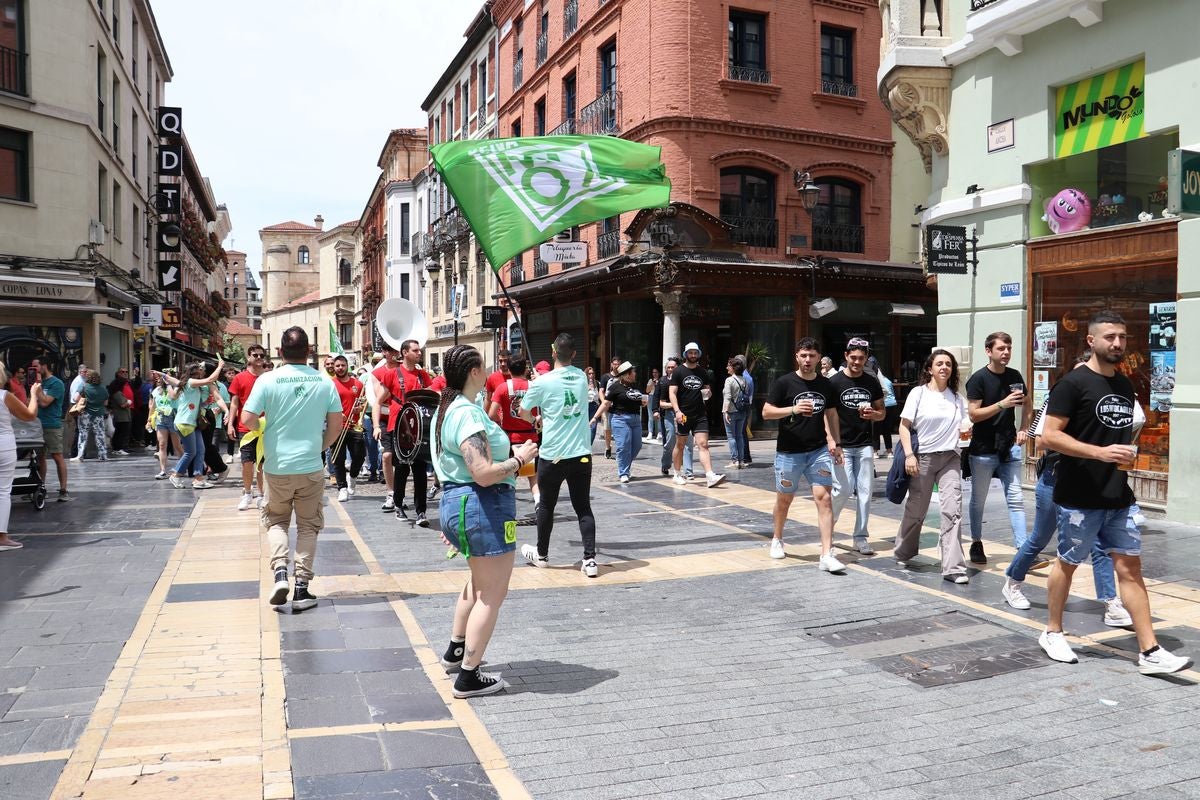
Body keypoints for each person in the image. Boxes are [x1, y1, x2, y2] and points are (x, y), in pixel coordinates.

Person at [1037, 310, 1189, 674]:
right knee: (1069, 563)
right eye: (1110, 337)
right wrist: (1099, 452)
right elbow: (1048, 436)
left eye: (1122, 337)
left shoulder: (1123, 385)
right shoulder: (1072, 384)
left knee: (1130, 569)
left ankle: (1150, 651)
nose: (1117, 343)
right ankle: (1053, 631)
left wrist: (1124, 457)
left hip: (1117, 493)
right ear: (1092, 341)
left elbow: (1119, 434)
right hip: (1079, 494)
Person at [431, 345, 537, 698]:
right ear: (475, 372)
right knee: (492, 593)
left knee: (478, 584)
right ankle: (469, 675)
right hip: (483, 504)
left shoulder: (449, 409)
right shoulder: (467, 414)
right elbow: (482, 473)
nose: (492, 368)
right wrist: (518, 459)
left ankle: (457, 649)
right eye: (486, 365)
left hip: (460, 503)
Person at [1002, 355, 1132, 628]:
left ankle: (1110, 602)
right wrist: (1077, 442)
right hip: (1055, 479)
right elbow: (1039, 444)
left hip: (1090, 484)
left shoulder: (1103, 404)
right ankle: (1013, 581)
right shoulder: (1056, 402)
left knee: (1100, 545)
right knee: (1040, 538)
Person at [243, 327, 342, 613]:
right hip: (310, 465)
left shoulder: (267, 380)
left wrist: (264, 428)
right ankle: (301, 589)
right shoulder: (325, 382)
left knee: (276, 521)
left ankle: (280, 574)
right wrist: (320, 447)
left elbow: (248, 418)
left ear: (279, 352)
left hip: (276, 466)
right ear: (309, 351)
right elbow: (336, 424)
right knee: (309, 525)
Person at [518, 333, 599, 578]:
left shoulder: (542, 382)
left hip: (553, 455)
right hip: (581, 454)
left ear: (553, 352)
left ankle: (542, 554)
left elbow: (523, 413)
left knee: (546, 506)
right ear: (574, 354)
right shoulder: (582, 378)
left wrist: (536, 419)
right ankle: (590, 559)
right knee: (583, 506)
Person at [761, 338, 845, 573]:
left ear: (819, 358)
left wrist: (836, 443)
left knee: (824, 498)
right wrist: (794, 409)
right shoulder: (784, 383)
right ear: (797, 357)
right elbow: (766, 412)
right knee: (785, 499)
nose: (808, 360)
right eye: (803, 355)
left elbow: (831, 414)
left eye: (812, 356)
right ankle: (777, 538)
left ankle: (826, 554)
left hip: (817, 451)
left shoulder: (826, 385)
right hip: (789, 452)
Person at [893, 349, 970, 584]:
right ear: (930, 369)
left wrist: (967, 434)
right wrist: (909, 455)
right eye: (939, 364)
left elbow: (966, 428)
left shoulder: (958, 399)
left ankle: (953, 567)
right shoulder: (918, 394)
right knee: (917, 509)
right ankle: (903, 551)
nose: (944, 367)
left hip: (950, 459)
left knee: (952, 511)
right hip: (923, 458)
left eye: (948, 364)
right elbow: (904, 427)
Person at [965, 332, 1030, 564]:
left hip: (1009, 446)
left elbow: (1027, 402)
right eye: (1001, 348)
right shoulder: (978, 379)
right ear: (988, 351)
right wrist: (1002, 404)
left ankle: (1023, 549)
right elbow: (973, 414)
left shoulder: (1014, 376)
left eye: (1009, 348)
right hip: (983, 449)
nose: (1006, 353)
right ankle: (976, 542)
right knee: (978, 499)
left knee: (1015, 498)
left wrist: (1024, 427)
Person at [829, 338, 885, 555]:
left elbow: (882, 413)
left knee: (865, 492)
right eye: (853, 357)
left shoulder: (871, 382)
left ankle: (860, 536)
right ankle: (828, 528)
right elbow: (827, 414)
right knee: (842, 489)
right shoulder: (834, 382)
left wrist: (874, 414)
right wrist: (832, 441)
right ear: (846, 356)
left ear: (866, 359)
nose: (857, 362)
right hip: (841, 444)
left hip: (864, 444)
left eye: (861, 358)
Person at [376, 339, 433, 525]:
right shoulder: (392, 374)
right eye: (415, 350)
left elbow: (431, 400)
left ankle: (421, 512)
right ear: (404, 352)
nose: (419, 353)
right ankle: (399, 505)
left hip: (418, 428)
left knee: (420, 469)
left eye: (419, 350)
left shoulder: (423, 375)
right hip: (398, 427)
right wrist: (377, 426)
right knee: (401, 468)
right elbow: (378, 402)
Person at [668, 343, 725, 488]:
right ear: (685, 354)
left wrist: (708, 393)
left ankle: (710, 475)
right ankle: (676, 474)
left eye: (695, 353)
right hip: (684, 414)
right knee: (680, 444)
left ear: (698, 354)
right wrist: (677, 411)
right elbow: (672, 393)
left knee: (703, 444)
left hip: (700, 414)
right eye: (690, 353)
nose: (693, 355)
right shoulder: (678, 371)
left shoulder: (703, 372)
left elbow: (706, 390)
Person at [161, 358, 225, 490]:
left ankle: (198, 478)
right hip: (185, 422)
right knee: (191, 452)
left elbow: (195, 403)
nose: (201, 373)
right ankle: (176, 474)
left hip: (193, 422)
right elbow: (209, 379)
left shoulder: (194, 387)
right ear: (191, 373)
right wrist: (220, 367)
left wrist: (206, 403)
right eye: (198, 371)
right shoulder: (190, 382)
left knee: (200, 450)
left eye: (201, 371)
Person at [1, 361, 41, 550]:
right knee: (2, 491)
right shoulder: (5, 396)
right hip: (4, 444)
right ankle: (1, 538)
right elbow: (29, 415)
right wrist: (33, 395)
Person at [488, 355, 539, 502]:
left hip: (509, 438)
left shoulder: (502, 388)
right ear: (525, 369)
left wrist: (502, 419)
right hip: (531, 438)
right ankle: (538, 504)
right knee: (533, 477)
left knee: (509, 475)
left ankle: (508, 507)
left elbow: (492, 414)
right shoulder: (534, 386)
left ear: (509, 369)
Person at [228, 345, 268, 510]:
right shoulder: (240, 378)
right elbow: (234, 402)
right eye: (255, 355)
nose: (258, 357)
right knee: (247, 462)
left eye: (261, 355)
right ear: (249, 357)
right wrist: (230, 423)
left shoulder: (268, 377)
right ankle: (247, 493)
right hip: (246, 427)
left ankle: (261, 494)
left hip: (267, 426)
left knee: (262, 463)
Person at [595, 360, 648, 483]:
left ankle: (625, 467)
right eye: (633, 371)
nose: (635, 373)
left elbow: (638, 400)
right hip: (620, 419)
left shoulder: (635, 385)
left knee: (637, 446)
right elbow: (606, 403)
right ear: (627, 374)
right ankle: (623, 472)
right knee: (624, 446)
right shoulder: (615, 387)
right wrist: (595, 417)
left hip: (635, 419)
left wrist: (643, 402)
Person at [328, 355, 366, 503]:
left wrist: (360, 408)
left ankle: (353, 476)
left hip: (354, 425)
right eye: (337, 366)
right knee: (338, 459)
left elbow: (364, 403)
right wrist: (338, 414)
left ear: (347, 366)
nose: (340, 368)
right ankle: (342, 488)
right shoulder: (330, 384)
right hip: (337, 426)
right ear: (334, 368)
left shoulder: (357, 383)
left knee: (359, 456)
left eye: (342, 365)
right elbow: (325, 404)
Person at [371, 344, 404, 512]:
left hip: (402, 418)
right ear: (383, 352)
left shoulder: (403, 369)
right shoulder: (377, 373)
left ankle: (399, 493)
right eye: (388, 350)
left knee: (401, 461)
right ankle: (390, 493)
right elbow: (380, 397)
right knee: (387, 456)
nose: (391, 354)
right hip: (384, 418)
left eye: (394, 350)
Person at [32, 358, 69, 502]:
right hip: (37, 425)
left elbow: (46, 402)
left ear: (44, 366)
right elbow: (32, 401)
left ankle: (63, 489)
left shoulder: (56, 383)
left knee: (57, 456)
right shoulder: (35, 384)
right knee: (40, 458)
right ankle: (41, 487)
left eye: (36, 367)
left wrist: (39, 389)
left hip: (52, 424)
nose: (34, 370)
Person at [655, 357, 692, 477]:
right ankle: (666, 465)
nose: (670, 369)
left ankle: (688, 471)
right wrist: (657, 410)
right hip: (669, 414)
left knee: (687, 441)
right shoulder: (663, 381)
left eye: (673, 367)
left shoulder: (684, 380)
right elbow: (659, 401)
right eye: (668, 367)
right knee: (670, 440)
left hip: (684, 413)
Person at [71, 370, 110, 462]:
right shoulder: (103, 389)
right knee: (100, 434)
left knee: (83, 433)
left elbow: (75, 398)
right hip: (99, 414)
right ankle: (103, 455)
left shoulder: (84, 386)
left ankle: (80, 455)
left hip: (85, 413)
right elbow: (105, 402)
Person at [721, 356, 752, 469]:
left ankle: (734, 461)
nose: (727, 368)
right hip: (742, 411)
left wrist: (725, 411)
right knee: (739, 436)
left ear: (733, 368)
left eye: (729, 366)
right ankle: (741, 461)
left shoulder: (729, 380)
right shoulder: (744, 380)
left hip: (731, 411)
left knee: (731, 436)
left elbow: (727, 397)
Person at [149, 373, 180, 480]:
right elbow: (153, 406)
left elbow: (174, 397)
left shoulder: (176, 389)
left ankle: (183, 467)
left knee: (177, 447)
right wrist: (149, 419)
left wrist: (169, 385)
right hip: (160, 419)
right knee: (162, 445)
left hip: (173, 418)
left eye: (164, 378)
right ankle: (163, 470)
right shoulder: (156, 391)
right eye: (159, 379)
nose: (160, 380)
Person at [198, 381, 230, 483]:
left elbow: (222, 400)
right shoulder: (193, 383)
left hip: (208, 418)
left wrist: (225, 411)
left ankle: (216, 470)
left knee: (207, 447)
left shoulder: (216, 385)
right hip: (196, 417)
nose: (200, 370)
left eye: (202, 368)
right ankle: (203, 473)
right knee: (200, 448)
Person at [868, 356, 898, 459]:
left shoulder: (873, 378)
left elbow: (882, 392)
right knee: (887, 429)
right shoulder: (888, 380)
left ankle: (875, 452)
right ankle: (889, 452)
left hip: (881, 404)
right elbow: (891, 393)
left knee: (876, 429)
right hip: (892, 405)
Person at [360, 361, 382, 483]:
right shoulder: (365, 377)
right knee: (371, 445)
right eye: (375, 362)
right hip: (368, 413)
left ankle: (382, 470)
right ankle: (373, 470)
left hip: (383, 413)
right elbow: (359, 393)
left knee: (382, 446)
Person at [599, 356, 621, 459]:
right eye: (615, 364)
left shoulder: (622, 376)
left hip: (618, 407)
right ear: (612, 364)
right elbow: (601, 391)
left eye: (618, 364)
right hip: (607, 407)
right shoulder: (605, 377)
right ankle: (608, 447)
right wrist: (604, 403)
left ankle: (619, 450)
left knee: (617, 429)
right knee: (607, 429)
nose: (616, 366)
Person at [106, 369, 133, 455]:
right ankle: (119, 448)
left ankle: (119, 448)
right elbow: (122, 404)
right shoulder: (117, 393)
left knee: (120, 432)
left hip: (122, 416)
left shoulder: (117, 393)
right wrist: (128, 402)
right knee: (122, 432)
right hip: (122, 417)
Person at [67, 363, 87, 458]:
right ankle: (76, 452)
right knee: (79, 430)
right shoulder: (79, 381)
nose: (86, 373)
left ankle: (79, 451)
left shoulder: (82, 380)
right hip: (77, 406)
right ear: (80, 372)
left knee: (79, 430)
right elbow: (75, 398)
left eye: (86, 371)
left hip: (77, 406)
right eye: (84, 372)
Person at [584, 365, 602, 445]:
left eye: (592, 373)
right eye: (589, 373)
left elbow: (600, 395)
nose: (591, 375)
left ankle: (589, 446)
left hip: (594, 406)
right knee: (584, 427)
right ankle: (584, 446)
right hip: (585, 406)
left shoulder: (597, 383)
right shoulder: (583, 383)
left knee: (593, 427)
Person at [645, 367, 661, 441]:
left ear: (659, 373)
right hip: (651, 397)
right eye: (653, 372)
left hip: (659, 398)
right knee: (650, 416)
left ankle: (659, 433)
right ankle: (650, 432)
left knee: (659, 416)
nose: (654, 374)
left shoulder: (661, 380)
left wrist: (657, 384)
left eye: (656, 372)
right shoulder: (650, 380)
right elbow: (647, 391)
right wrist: (652, 384)